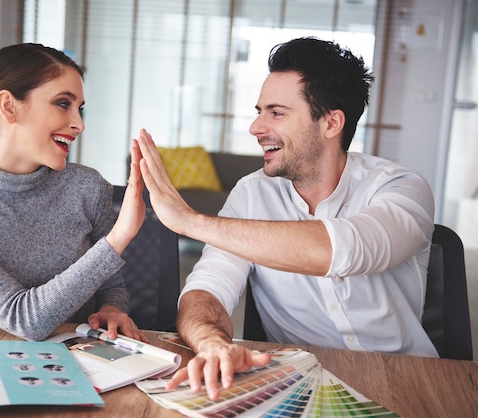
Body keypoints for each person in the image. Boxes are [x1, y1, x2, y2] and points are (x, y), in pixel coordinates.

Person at [135, 37, 438, 399]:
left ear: (331, 123)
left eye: (276, 113)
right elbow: (206, 290)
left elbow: (345, 250)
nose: (255, 127)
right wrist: (214, 344)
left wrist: (190, 221)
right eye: (259, 110)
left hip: (408, 380)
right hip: (302, 383)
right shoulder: (251, 194)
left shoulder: (400, 187)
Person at [0, 43, 147, 342]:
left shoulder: (87, 186)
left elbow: (109, 283)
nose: (79, 124)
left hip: (83, 362)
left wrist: (112, 308)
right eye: (63, 103)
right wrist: (118, 238)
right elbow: (23, 319)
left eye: (80, 108)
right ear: (9, 106)